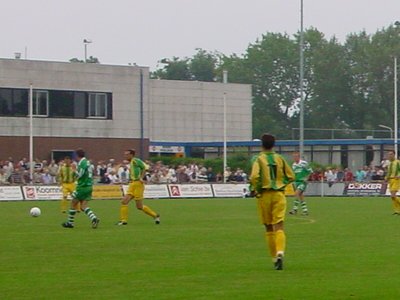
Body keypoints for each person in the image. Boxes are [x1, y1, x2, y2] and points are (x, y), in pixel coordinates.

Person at [249, 134, 295, 270]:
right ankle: (281, 251)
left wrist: (255, 189)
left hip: (264, 195)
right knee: (279, 226)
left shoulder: (257, 159)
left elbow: (254, 176)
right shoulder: (280, 158)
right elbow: (291, 176)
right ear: (274, 145)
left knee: (269, 227)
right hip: (279, 195)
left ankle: (275, 258)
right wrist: (281, 184)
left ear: (261, 144)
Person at [116, 149, 160, 225]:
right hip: (132, 184)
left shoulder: (136, 160)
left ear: (131, 155)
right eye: (125, 154)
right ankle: (123, 221)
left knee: (139, 206)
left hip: (138, 184)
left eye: (127, 154)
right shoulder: (131, 163)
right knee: (124, 201)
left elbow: (144, 168)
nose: (125, 156)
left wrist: (141, 178)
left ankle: (155, 216)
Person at [62, 149, 100, 229]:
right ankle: (94, 218)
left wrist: (74, 170)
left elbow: (80, 175)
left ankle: (70, 223)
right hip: (89, 186)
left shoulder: (82, 163)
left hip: (82, 186)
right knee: (83, 206)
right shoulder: (87, 162)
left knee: (73, 203)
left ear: (77, 155)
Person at [289, 152, 312, 216]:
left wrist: (306, 178)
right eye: (294, 157)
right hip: (296, 182)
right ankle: (305, 211)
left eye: (296, 156)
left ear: (299, 157)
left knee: (296, 193)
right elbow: (294, 174)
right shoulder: (293, 165)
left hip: (302, 182)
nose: (295, 158)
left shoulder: (304, 163)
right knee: (300, 196)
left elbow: (310, 171)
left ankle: (294, 209)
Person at [385, 150, 400, 215]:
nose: (389, 156)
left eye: (391, 154)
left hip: (396, 180)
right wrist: (386, 177)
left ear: (394, 155)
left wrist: (399, 175)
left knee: (393, 195)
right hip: (390, 180)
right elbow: (389, 172)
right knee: (392, 197)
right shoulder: (389, 163)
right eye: (389, 154)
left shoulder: (398, 162)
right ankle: (397, 210)